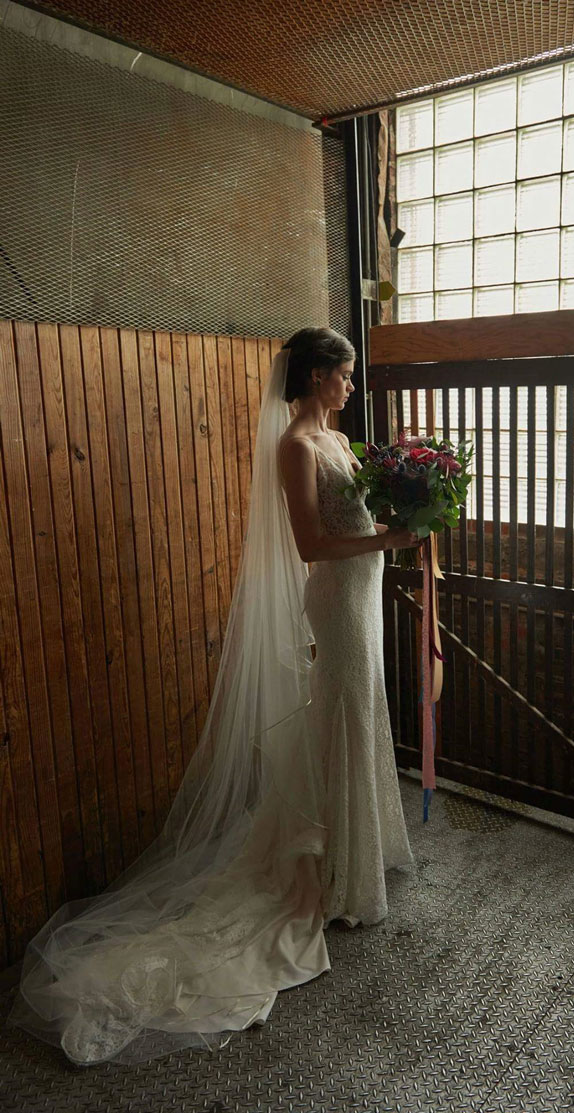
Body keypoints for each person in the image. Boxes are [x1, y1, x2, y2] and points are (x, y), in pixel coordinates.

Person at [5, 327, 420, 1066]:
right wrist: (385, 543)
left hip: (366, 598)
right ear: (318, 374)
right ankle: (335, 875)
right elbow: (311, 545)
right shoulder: (294, 445)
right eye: (345, 375)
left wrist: (404, 520)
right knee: (346, 714)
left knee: (360, 715)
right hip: (338, 594)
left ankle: (358, 851)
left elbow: (361, 517)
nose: (352, 386)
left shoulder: (342, 440)